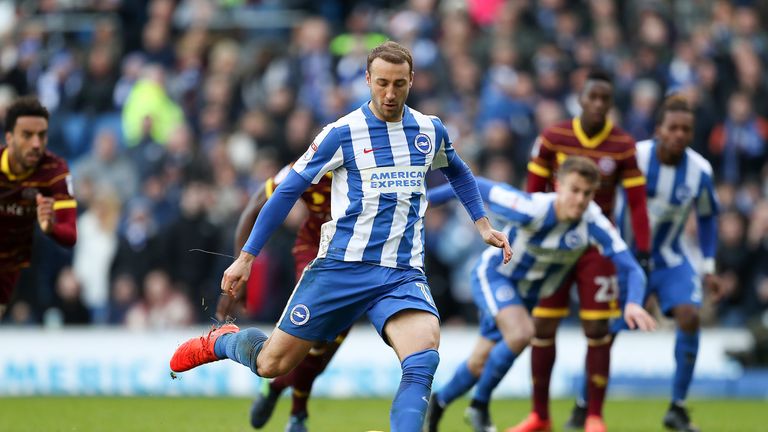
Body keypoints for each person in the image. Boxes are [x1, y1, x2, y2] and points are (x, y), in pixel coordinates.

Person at [170, 41, 512, 431]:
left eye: (399, 84)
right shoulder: (342, 133)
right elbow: (285, 191)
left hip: (401, 274)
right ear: (367, 79)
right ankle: (222, 341)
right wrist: (246, 256)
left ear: (412, 81)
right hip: (339, 269)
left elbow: (459, 171)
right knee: (271, 364)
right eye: (381, 82)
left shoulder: (428, 130)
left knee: (423, 356)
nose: (389, 93)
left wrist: (482, 224)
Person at [423, 157, 656, 432]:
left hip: (528, 296)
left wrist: (631, 303)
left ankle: (440, 402)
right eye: (574, 190)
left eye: (587, 193)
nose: (580, 200)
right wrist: (421, 201)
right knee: (522, 333)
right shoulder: (530, 208)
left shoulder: (594, 222)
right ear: (558, 185)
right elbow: (468, 184)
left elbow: (631, 268)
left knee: (478, 362)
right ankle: (479, 407)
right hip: (496, 275)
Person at [568, 96, 720, 432]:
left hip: (669, 258)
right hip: (623, 258)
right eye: (673, 128)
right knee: (602, 333)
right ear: (659, 130)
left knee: (690, 316)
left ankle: (677, 407)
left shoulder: (700, 170)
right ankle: (584, 406)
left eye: (686, 129)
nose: (679, 134)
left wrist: (708, 266)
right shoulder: (634, 156)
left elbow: (708, 217)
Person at [513, 70, 651, 432]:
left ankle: (594, 415)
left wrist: (644, 249)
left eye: (605, 99)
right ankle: (539, 415)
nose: (598, 105)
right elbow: (533, 191)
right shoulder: (554, 136)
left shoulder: (622, 145)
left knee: (596, 328)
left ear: (611, 104)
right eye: (593, 97)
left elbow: (637, 204)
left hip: (596, 246)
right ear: (581, 99)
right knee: (542, 325)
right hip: (555, 244)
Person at [215, 166, 347, 432]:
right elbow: (254, 208)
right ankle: (298, 416)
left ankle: (275, 387)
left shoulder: (372, 168)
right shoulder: (311, 164)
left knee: (320, 355)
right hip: (314, 250)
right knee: (315, 334)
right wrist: (242, 266)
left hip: (356, 259)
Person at [0, 96, 77, 320]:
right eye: (27, 135)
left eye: (41, 136)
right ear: (10, 138)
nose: (36, 144)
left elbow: (69, 234)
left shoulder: (56, 172)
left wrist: (51, 227)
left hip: (33, 277)